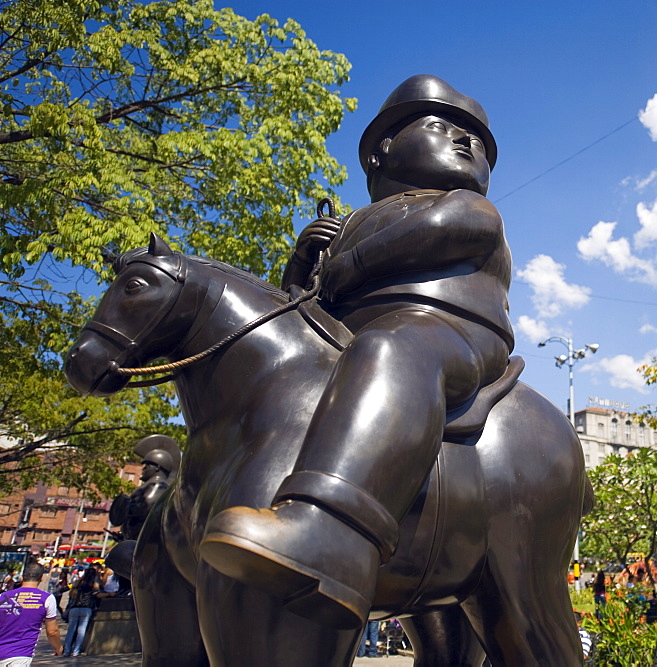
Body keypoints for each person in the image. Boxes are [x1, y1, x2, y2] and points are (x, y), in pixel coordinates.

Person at [200, 74, 514, 629]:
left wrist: (347, 263)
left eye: (480, 144)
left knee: (392, 347)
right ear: (382, 149)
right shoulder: (351, 224)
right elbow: (301, 315)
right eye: (445, 127)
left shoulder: (465, 206)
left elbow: (446, 228)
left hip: (446, 335)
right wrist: (302, 268)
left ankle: (331, 531)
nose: (469, 144)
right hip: (351, 343)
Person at [0, 561, 62, 663]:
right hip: (20, 655)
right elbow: (52, 631)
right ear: (41, 578)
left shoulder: (3, 597)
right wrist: (58, 648)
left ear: (22, 576)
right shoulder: (46, 598)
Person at [63, 566, 100, 657]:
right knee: (81, 631)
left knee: (71, 630)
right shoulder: (93, 584)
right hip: (86, 609)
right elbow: (98, 594)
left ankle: (66, 651)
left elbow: (72, 594)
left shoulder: (79, 583)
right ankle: (76, 651)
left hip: (74, 608)